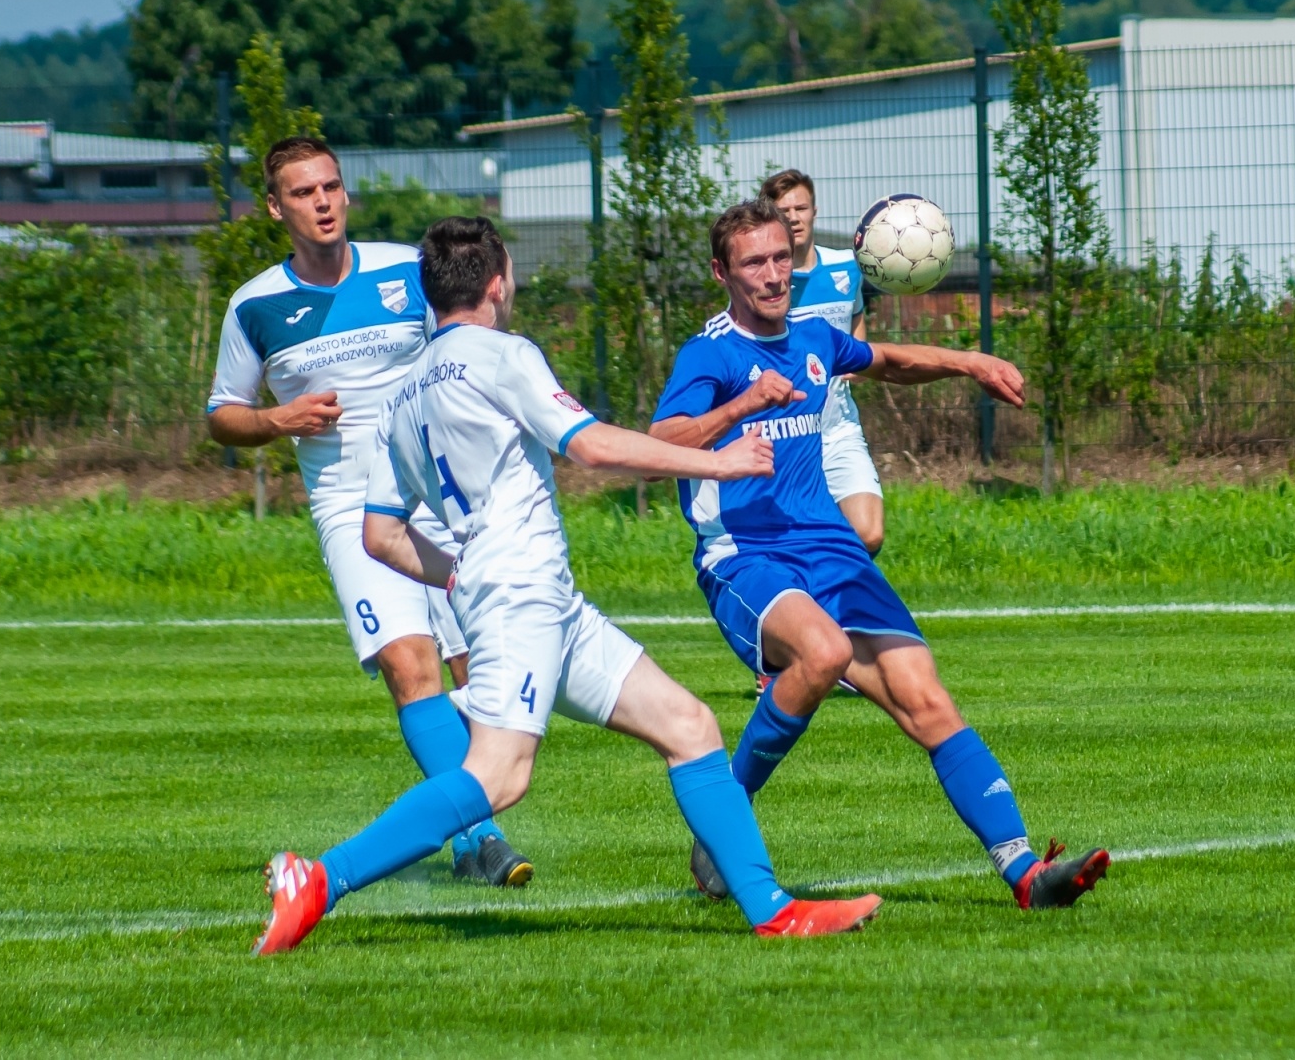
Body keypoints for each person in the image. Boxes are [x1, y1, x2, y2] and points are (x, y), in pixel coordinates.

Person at [252, 216, 883, 954]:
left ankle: (770, 908)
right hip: (521, 595)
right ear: (497, 283)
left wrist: (460, 575)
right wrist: (721, 462)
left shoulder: (405, 393)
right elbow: (592, 447)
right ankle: (321, 878)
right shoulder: (503, 353)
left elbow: (380, 534)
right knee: (500, 775)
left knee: (690, 726)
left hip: (537, 597)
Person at [648, 199, 1109, 911]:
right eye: (753, 264)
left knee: (927, 699)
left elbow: (887, 361)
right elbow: (660, 445)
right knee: (823, 654)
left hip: (831, 551)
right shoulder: (709, 353)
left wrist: (969, 361)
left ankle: (1024, 873)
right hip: (746, 554)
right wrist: (738, 410)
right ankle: (724, 821)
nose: (772, 276)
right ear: (721, 273)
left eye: (779, 258)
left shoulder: (812, 336)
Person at [206, 136, 529, 889]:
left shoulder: (403, 270)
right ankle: (480, 839)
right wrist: (277, 421)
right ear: (275, 206)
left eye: (330, 187)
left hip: (439, 494)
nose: (321, 202)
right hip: (350, 508)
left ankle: (463, 821)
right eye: (302, 192)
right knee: (407, 667)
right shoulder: (255, 305)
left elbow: (471, 342)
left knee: (471, 669)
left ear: (345, 193)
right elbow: (222, 413)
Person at [759, 169, 883, 555]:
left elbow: (856, 324)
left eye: (801, 207)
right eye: (784, 210)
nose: (794, 216)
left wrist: (856, 364)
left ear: (815, 211)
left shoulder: (847, 266)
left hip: (839, 425)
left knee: (869, 533)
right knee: (793, 542)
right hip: (788, 428)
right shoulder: (766, 282)